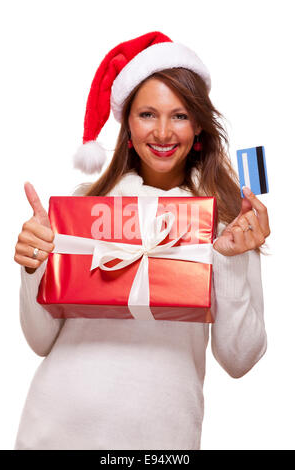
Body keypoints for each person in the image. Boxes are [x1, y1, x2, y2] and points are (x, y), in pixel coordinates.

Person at [13, 31, 270, 450]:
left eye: (180, 115)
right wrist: (34, 266)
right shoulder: (84, 205)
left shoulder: (228, 222)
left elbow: (240, 360)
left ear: (199, 124)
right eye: (148, 114)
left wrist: (229, 262)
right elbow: (40, 341)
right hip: (54, 429)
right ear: (128, 125)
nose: (164, 132)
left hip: (162, 443)